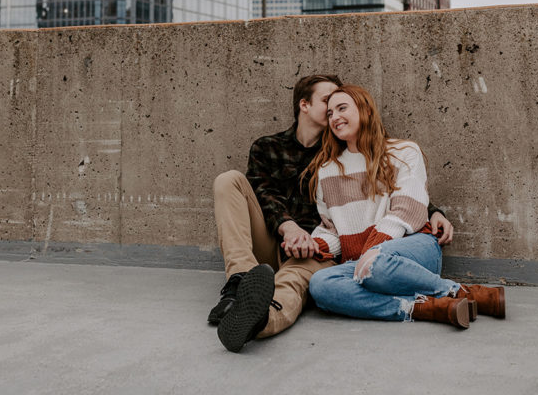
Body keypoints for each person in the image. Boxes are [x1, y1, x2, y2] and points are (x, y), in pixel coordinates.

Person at [210, 74, 455, 353]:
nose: (334, 114)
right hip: (280, 240)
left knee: (297, 283)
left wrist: (433, 211)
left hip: (318, 252)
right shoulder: (274, 149)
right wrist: (289, 229)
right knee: (228, 180)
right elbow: (265, 196)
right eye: (328, 104)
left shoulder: (345, 152)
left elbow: (394, 186)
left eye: (342, 106)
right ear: (305, 105)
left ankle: (260, 320)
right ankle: (239, 284)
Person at [306, 85, 506, 329]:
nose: (335, 117)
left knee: (375, 264)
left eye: (342, 108)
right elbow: (332, 228)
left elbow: (407, 210)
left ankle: (458, 291)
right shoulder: (327, 172)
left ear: (365, 110)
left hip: (412, 250)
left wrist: (372, 249)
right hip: (360, 263)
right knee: (320, 284)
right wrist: (315, 244)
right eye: (329, 113)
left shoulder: (403, 152)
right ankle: (422, 308)